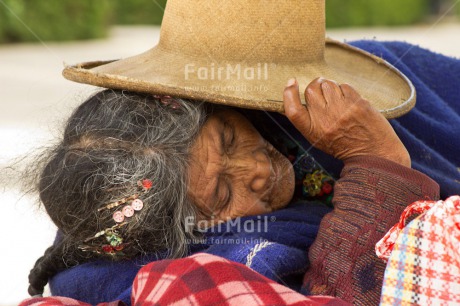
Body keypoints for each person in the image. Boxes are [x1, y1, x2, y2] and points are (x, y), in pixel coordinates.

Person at [23, 0, 459, 305]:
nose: (257, 169)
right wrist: (376, 162)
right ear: (187, 234)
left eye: (230, 138)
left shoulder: (361, 76)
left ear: (219, 104)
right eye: (222, 193)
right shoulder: (158, 256)